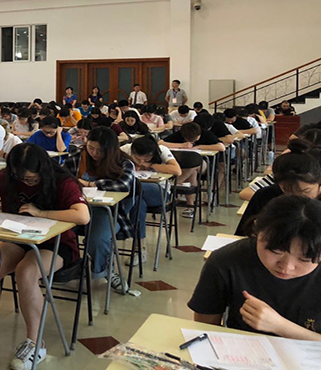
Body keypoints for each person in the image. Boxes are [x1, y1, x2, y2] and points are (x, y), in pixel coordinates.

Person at [0, 143, 89, 368]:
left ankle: (35, 343)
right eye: (21, 178)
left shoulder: (62, 181)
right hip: (20, 238)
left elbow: (82, 216)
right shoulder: (8, 177)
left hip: (56, 244)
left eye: (32, 179)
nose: (26, 182)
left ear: (42, 170)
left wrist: (42, 213)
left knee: (26, 272)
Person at [188, 195, 321, 340]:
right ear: (257, 231)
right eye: (275, 251)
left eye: (304, 259)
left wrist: (280, 326)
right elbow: (205, 328)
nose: (287, 267)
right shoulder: (226, 261)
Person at [78, 126, 135, 292]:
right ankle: (65, 266)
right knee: (56, 231)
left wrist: (91, 184)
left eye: (100, 150)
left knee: (97, 239)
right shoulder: (80, 157)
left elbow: (123, 185)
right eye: (91, 148)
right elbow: (63, 175)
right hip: (77, 207)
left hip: (108, 211)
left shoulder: (124, 163)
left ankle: (107, 272)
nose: (94, 153)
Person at [235, 139, 321, 236]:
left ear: (319, 183)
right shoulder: (265, 195)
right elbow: (243, 234)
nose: (296, 197)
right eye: (287, 191)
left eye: (305, 191)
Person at [119, 136, 182, 265]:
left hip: (159, 192)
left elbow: (177, 170)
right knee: (138, 203)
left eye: (146, 159)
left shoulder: (162, 150)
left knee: (136, 188)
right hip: (136, 194)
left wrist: (152, 165)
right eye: (137, 159)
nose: (141, 162)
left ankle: (118, 218)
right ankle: (140, 249)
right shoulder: (126, 149)